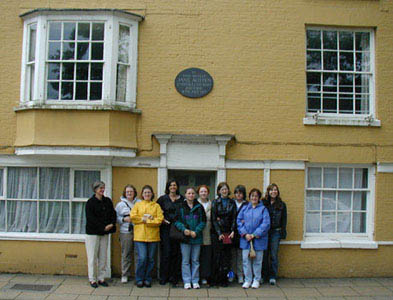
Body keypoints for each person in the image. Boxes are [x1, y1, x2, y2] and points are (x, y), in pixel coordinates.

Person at [130, 185, 164, 288]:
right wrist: (147, 219)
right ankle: (139, 278)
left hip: (153, 237)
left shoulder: (156, 206)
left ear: (152, 194)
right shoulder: (137, 205)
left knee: (151, 259)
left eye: (149, 192)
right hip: (140, 236)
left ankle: (148, 278)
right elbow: (133, 217)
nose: (147, 194)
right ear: (142, 194)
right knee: (142, 258)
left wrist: (146, 220)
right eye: (145, 193)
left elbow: (159, 220)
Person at [85, 181, 117, 288]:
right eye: (100, 188)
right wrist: (103, 227)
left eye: (103, 188)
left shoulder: (107, 201)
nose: (102, 190)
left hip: (105, 233)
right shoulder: (90, 202)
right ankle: (92, 279)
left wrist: (111, 224)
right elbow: (91, 218)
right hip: (93, 233)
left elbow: (113, 213)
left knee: (103, 256)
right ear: (95, 190)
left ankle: (101, 278)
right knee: (92, 257)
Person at [237, 188, 270, 289]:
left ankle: (256, 279)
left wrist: (255, 234)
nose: (254, 198)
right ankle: (247, 280)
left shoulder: (263, 209)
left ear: (259, 198)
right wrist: (245, 233)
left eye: (256, 196)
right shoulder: (245, 208)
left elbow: (266, 224)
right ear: (249, 197)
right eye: (252, 196)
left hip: (259, 239)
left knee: (257, 261)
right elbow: (238, 221)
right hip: (245, 239)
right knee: (246, 260)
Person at [175, 187, 206, 289]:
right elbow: (177, 221)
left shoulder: (199, 207)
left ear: (195, 195)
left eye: (193, 193)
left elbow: (203, 222)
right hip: (185, 238)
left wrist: (196, 231)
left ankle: (195, 280)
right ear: (185, 195)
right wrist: (184, 229)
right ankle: (187, 281)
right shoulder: (180, 207)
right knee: (185, 260)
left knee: (195, 260)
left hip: (196, 238)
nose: (191, 195)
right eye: (189, 193)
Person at [157, 179, 185, 286]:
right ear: (168, 187)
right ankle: (164, 276)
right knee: (166, 253)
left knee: (176, 253)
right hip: (166, 229)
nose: (173, 187)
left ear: (177, 187)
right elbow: (157, 211)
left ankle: (175, 277)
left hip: (178, 229)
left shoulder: (182, 199)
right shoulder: (162, 199)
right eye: (171, 185)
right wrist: (162, 219)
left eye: (174, 185)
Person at [211, 182, 237, 287]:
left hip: (228, 233)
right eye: (222, 189)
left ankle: (225, 279)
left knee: (226, 257)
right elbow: (213, 219)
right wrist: (219, 232)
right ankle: (215, 279)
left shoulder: (232, 202)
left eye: (226, 189)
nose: (224, 191)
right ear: (219, 191)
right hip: (218, 233)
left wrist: (232, 231)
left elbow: (234, 217)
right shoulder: (215, 202)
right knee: (217, 256)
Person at [262, 183, 287, 285]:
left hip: (276, 232)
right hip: (265, 232)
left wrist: (283, 231)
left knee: (273, 254)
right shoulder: (263, 203)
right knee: (264, 254)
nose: (273, 192)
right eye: (271, 190)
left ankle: (273, 276)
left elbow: (284, 219)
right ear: (268, 192)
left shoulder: (281, 204)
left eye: (275, 190)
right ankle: (264, 275)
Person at [115, 184, 140, 283]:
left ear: (134, 193)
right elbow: (115, 217)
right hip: (126, 232)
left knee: (138, 254)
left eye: (131, 191)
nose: (129, 193)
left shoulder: (139, 203)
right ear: (124, 193)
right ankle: (125, 274)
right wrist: (123, 219)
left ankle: (138, 275)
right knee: (126, 254)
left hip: (139, 231)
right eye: (127, 192)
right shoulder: (120, 205)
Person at [231, 185, 248, 284]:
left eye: (240, 193)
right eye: (237, 192)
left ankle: (241, 275)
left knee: (241, 256)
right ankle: (231, 275)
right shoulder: (231, 203)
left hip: (242, 232)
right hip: (232, 232)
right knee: (232, 256)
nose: (238, 195)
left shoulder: (247, 205)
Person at [197, 185, 212, 286]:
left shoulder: (212, 204)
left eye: (205, 191)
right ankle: (196, 277)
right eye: (201, 191)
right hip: (197, 233)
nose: (203, 193)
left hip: (208, 233)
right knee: (196, 256)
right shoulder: (195, 204)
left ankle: (204, 277)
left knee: (206, 257)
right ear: (198, 193)